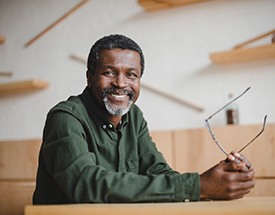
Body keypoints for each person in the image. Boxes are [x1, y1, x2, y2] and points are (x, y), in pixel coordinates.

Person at [33, 34, 255, 204]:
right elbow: (86, 184)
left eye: (131, 75)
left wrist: (218, 178)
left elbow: (158, 171)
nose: (121, 83)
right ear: (89, 77)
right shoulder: (65, 117)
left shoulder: (133, 115)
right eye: (109, 72)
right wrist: (198, 186)